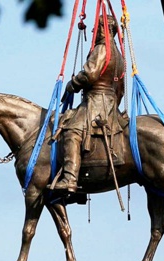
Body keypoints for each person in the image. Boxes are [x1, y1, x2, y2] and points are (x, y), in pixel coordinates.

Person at [53, 14, 126, 193]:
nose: (93, 30)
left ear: (105, 29)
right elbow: (121, 87)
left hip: (96, 102)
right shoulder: (118, 54)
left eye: (97, 27)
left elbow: (90, 74)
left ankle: (70, 178)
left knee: (72, 132)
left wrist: (73, 84)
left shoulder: (102, 49)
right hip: (111, 102)